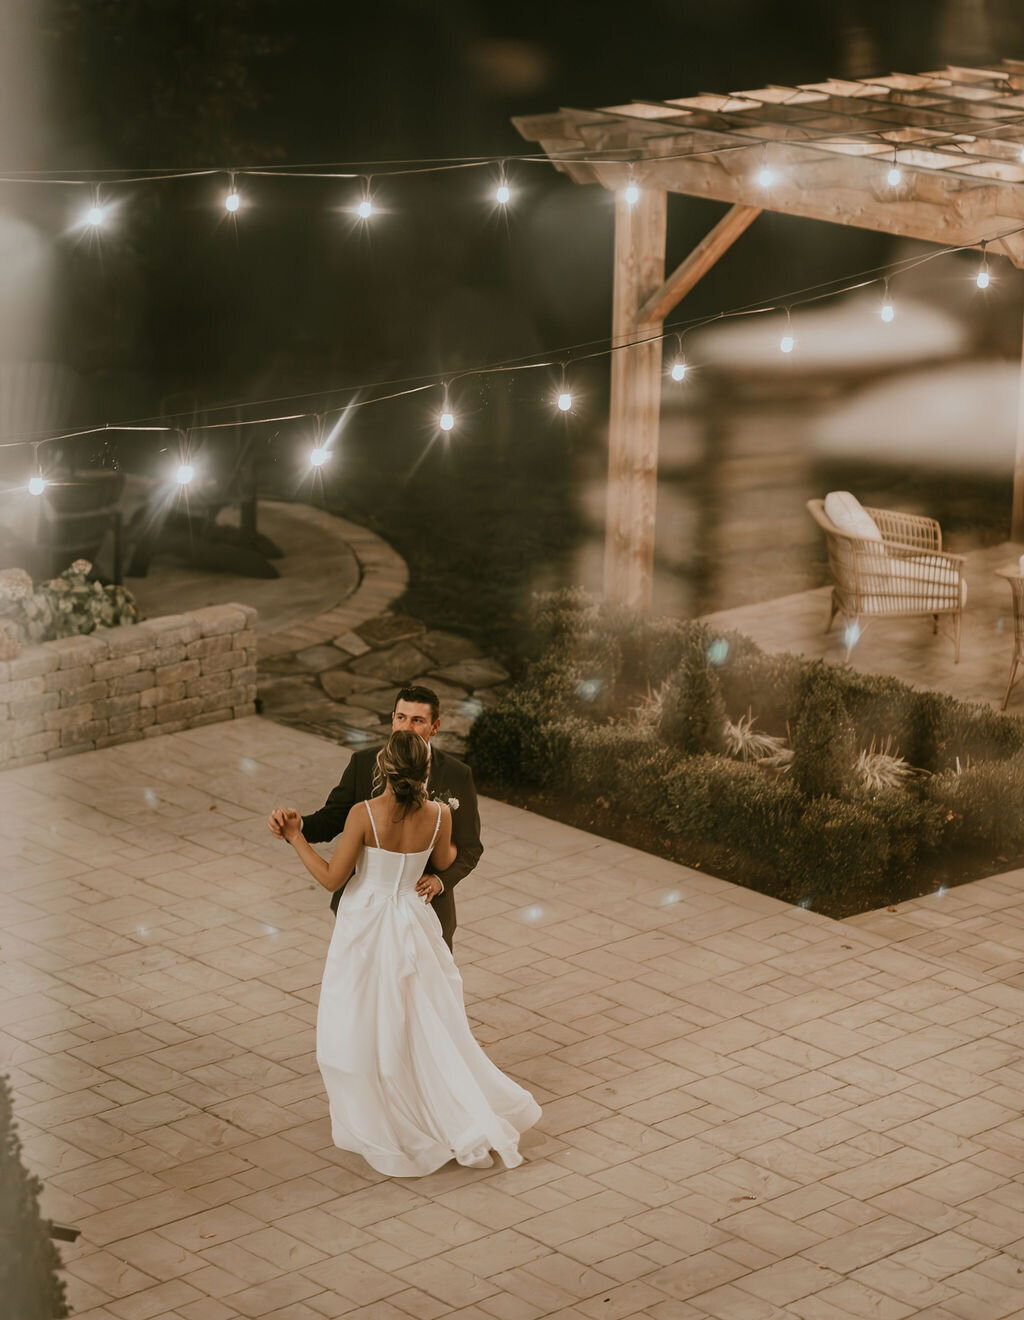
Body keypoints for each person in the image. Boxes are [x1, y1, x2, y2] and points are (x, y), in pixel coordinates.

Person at [279, 728, 540, 1176]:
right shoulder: (440, 814)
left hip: (367, 923)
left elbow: (330, 877)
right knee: (419, 1021)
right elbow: (442, 863)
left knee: (361, 1018)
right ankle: (435, 1103)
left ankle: (384, 1114)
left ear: (383, 766)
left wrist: (294, 838)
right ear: (425, 772)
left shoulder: (364, 814)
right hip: (413, 920)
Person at [269, 685, 481, 951]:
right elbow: (332, 818)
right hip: (366, 914)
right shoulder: (363, 762)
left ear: (434, 726)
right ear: (392, 718)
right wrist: (300, 826)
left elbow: (470, 848)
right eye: (401, 717)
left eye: (417, 720)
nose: (406, 727)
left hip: (427, 910)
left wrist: (441, 881)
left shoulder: (456, 774)